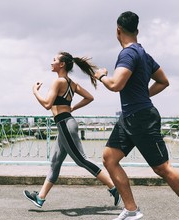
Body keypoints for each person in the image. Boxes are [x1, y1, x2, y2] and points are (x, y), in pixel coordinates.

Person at [94, 11, 179, 220]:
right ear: (136, 31)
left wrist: (101, 76)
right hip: (130, 116)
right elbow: (163, 81)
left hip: (141, 118)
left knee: (162, 168)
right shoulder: (144, 55)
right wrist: (142, 95)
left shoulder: (127, 53)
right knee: (109, 158)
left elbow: (116, 84)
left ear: (118, 30)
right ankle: (131, 208)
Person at [23, 51, 120, 208]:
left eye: (54, 60)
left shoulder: (59, 82)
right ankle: (40, 197)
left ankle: (114, 187)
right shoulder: (71, 83)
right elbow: (89, 97)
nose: (51, 62)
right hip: (65, 123)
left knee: (81, 159)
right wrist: (72, 108)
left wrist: (35, 91)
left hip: (64, 124)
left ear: (61, 64)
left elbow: (47, 104)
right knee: (55, 162)